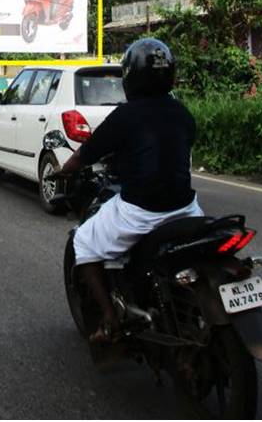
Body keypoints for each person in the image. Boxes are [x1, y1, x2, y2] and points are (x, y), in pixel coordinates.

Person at [54, 38, 202, 343]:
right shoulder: (182, 113)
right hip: (187, 209)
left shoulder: (126, 116)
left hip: (142, 212)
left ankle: (111, 321)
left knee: (84, 242)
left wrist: (63, 170)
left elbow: (87, 153)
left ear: (130, 77)